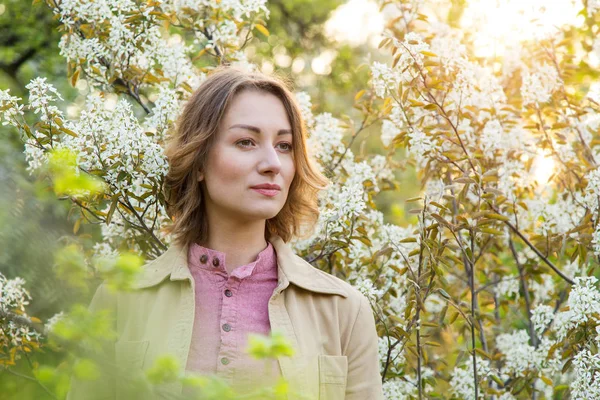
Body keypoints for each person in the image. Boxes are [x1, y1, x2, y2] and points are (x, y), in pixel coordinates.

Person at [67, 66, 383, 400]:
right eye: (246, 142)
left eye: (285, 145)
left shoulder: (343, 310)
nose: (272, 162)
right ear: (199, 161)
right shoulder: (121, 301)